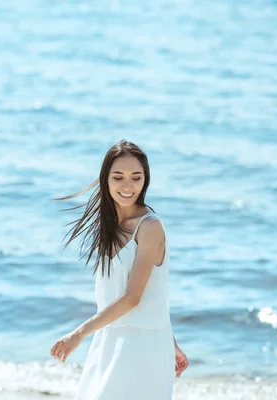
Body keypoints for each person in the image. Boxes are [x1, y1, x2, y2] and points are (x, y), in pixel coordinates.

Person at [50, 139, 189, 399]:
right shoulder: (111, 225)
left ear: (145, 180)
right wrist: (172, 343)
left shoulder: (149, 226)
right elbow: (153, 292)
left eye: (136, 177)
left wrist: (78, 334)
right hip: (109, 339)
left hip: (141, 346)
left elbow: (133, 298)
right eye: (118, 177)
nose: (128, 186)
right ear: (106, 179)